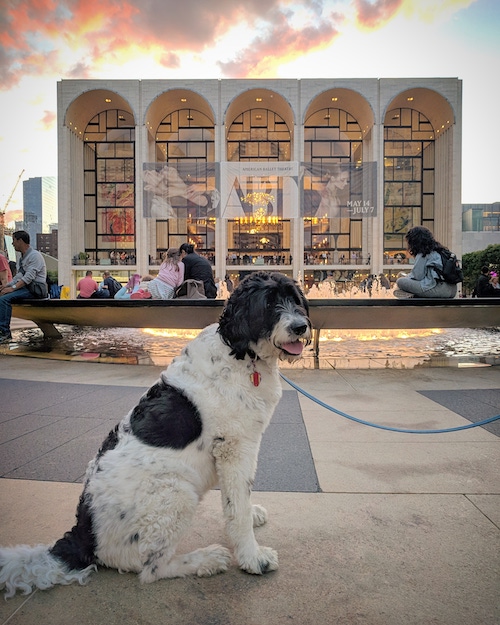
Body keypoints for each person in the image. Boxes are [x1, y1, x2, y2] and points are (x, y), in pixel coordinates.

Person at [0, 230, 47, 343]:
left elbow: (28, 278)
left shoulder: (35, 256)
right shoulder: (23, 258)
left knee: (4, 299)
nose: (12, 244)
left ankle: (5, 333)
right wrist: (6, 286)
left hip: (36, 289)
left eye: (14, 241)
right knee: (2, 295)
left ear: (20, 241)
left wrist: (12, 289)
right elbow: (19, 276)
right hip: (27, 287)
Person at [394, 226, 457, 299]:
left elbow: (417, 276)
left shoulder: (424, 253)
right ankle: (413, 294)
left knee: (400, 281)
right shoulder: (440, 251)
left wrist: (406, 277)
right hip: (452, 290)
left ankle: (410, 294)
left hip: (437, 289)